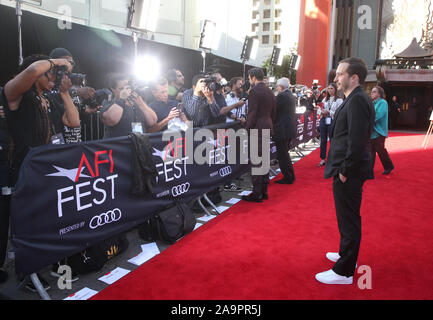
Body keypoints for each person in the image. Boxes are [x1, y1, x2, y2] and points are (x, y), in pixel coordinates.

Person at [2, 54, 80, 291]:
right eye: (51, 72)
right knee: (28, 224)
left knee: (49, 220)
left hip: (49, 171)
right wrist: (55, 61)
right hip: (24, 172)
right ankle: (28, 274)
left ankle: (48, 263)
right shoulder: (17, 95)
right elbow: (30, 72)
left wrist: (65, 93)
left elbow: (74, 122)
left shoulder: (48, 98)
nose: (55, 76)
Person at [316, 57, 375, 285]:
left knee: (349, 219)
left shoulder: (358, 100)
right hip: (346, 168)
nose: (335, 78)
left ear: (354, 77)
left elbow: (358, 140)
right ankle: (346, 255)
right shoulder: (354, 98)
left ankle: (344, 271)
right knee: (346, 217)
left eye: (340, 74)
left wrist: (345, 170)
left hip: (348, 170)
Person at [242, 68, 276, 203]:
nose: (249, 80)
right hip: (267, 125)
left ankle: (257, 193)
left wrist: (247, 128)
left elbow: (252, 113)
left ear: (253, 77)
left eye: (249, 78)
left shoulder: (255, 91)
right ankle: (264, 191)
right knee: (265, 160)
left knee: (256, 161)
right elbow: (274, 111)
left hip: (257, 128)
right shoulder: (269, 91)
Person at [101, 74, 157, 138]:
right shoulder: (108, 102)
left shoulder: (137, 101)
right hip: (118, 145)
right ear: (113, 89)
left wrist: (141, 103)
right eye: (122, 88)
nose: (126, 91)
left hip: (139, 144)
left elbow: (153, 121)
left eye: (128, 88)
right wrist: (121, 99)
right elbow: (110, 120)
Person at [273, 77, 296, 185]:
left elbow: (273, 108)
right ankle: (289, 175)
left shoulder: (282, 96)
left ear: (280, 87)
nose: (276, 88)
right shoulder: (289, 95)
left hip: (282, 129)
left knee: (283, 155)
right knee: (284, 154)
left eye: (277, 86)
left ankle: (288, 176)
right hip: (287, 128)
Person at [370, 86, 394, 177]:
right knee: (370, 151)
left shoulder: (383, 103)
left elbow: (378, 115)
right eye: (372, 91)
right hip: (371, 131)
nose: (372, 93)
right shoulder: (372, 103)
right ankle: (369, 170)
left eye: (374, 91)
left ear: (379, 94)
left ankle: (389, 166)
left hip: (379, 131)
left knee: (380, 151)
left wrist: (367, 121)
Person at [318, 83, 343, 167]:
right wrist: (321, 111)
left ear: (335, 90)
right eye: (328, 88)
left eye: (331, 88)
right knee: (323, 139)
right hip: (323, 120)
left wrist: (329, 112)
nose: (330, 90)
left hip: (332, 121)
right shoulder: (325, 99)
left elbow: (340, 113)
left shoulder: (339, 100)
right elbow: (319, 109)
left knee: (333, 140)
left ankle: (333, 159)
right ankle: (322, 158)